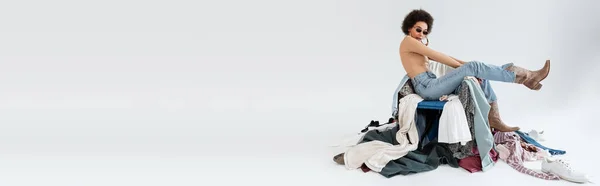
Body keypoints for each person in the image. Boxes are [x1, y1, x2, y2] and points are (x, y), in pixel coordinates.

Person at [399, 9, 550, 132]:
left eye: (425, 32)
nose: (421, 34)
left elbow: (446, 57)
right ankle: (527, 76)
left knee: (479, 72)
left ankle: (494, 118)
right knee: (474, 68)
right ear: (409, 28)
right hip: (426, 87)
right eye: (418, 30)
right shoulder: (408, 41)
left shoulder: (418, 46)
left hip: (432, 84)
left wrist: (472, 67)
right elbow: (438, 56)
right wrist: (469, 68)